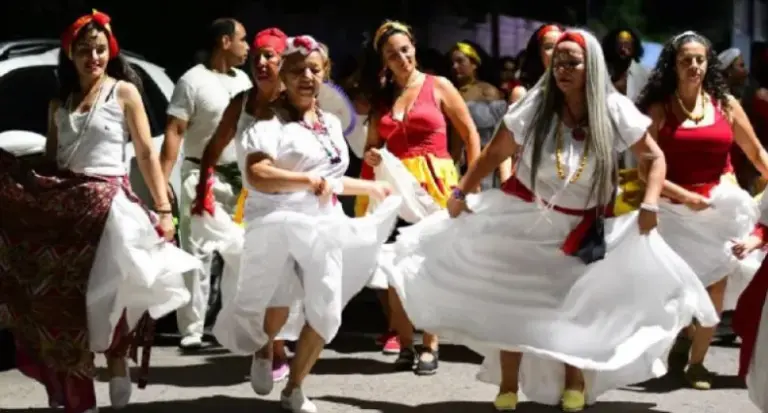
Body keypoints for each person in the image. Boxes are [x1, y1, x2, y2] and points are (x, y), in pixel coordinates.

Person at [387, 29, 716, 412]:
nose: (563, 70)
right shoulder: (536, 104)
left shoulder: (612, 108)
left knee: (573, 309)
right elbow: (493, 155)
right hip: (526, 220)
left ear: (590, 66)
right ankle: (507, 387)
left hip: (582, 230)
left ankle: (574, 384)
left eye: (573, 62)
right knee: (515, 302)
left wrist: (651, 204)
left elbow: (653, 157)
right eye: (558, 62)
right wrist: (461, 192)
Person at [0, 10, 196, 413]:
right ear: (70, 55)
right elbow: (54, 162)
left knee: (110, 292)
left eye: (101, 49)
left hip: (110, 206)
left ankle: (118, 360)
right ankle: (77, 383)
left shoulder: (123, 92)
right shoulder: (60, 102)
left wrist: (163, 209)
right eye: (85, 50)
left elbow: (144, 152)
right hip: (68, 208)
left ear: (111, 51)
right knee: (68, 300)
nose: (94, 57)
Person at [211, 35, 400, 413]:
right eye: (297, 70)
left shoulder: (330, 123)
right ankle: (266, 349)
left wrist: (372, 186)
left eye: (315, 69)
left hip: (322, 223)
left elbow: (330, 177)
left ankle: (295, 387)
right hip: (275, 221)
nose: (306, 76)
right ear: (282, 75)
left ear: (324, 74)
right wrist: (307, 183)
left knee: (327, 310)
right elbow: (259, 173)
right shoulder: (267, 119)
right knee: (275, 301)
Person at [636, 30, 768, 390]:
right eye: (685, 60)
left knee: (715, 288)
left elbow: (756, 154)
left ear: (708, 64)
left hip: (721, 209)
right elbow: (644, 170)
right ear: (673, 66)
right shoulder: (659, 108)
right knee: (678, 289)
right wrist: (684, 196)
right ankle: (684, 336)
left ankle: (697, 362)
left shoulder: (725, 104)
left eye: (700, 59)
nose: (693, 66)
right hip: (672, 211)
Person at [357, 20, 481, 375]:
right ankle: (406, 341)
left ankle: (431, 343)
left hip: (435, 188)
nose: (401, 58)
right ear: (384, 60)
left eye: (405, 50)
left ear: (414, 47)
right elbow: (371, 147)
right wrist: (371, 156)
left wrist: (469, 184)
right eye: (392, 54)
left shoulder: (438, 85)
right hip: (394, 189)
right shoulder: (384, 100)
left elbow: (471, 134)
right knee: (395, 267)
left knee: (430, 265)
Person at [192, 27, 293, 383]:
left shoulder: (295, 103)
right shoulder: (242, 102)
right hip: (252, 207)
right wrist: (203, 188)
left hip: (294, 204)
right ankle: (267, 348)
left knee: (288, 278)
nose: (262, 63)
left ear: (284, 61)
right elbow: (213, 148)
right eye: (257, 57)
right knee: (258, 277)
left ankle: (275, 345)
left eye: (270, 56)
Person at [158, 18, 252, 350]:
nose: (248, 46)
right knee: (197, 256)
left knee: (239, 254)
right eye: (243, 39)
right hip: (200, 177)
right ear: (225, 42)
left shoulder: (243, 80)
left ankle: (231, 326)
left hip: (237, 180)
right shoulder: (192, 81)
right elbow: (175, 131)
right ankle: (192, 331)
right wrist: (161, 184)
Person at [448, 40, 507, 189]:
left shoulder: (488, 91)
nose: (455, 67)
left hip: (486, 163)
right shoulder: (448, 91)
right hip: (456, 163)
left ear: (474, 63)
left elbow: (501, 132)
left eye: (460, 61)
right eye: (452, 62)